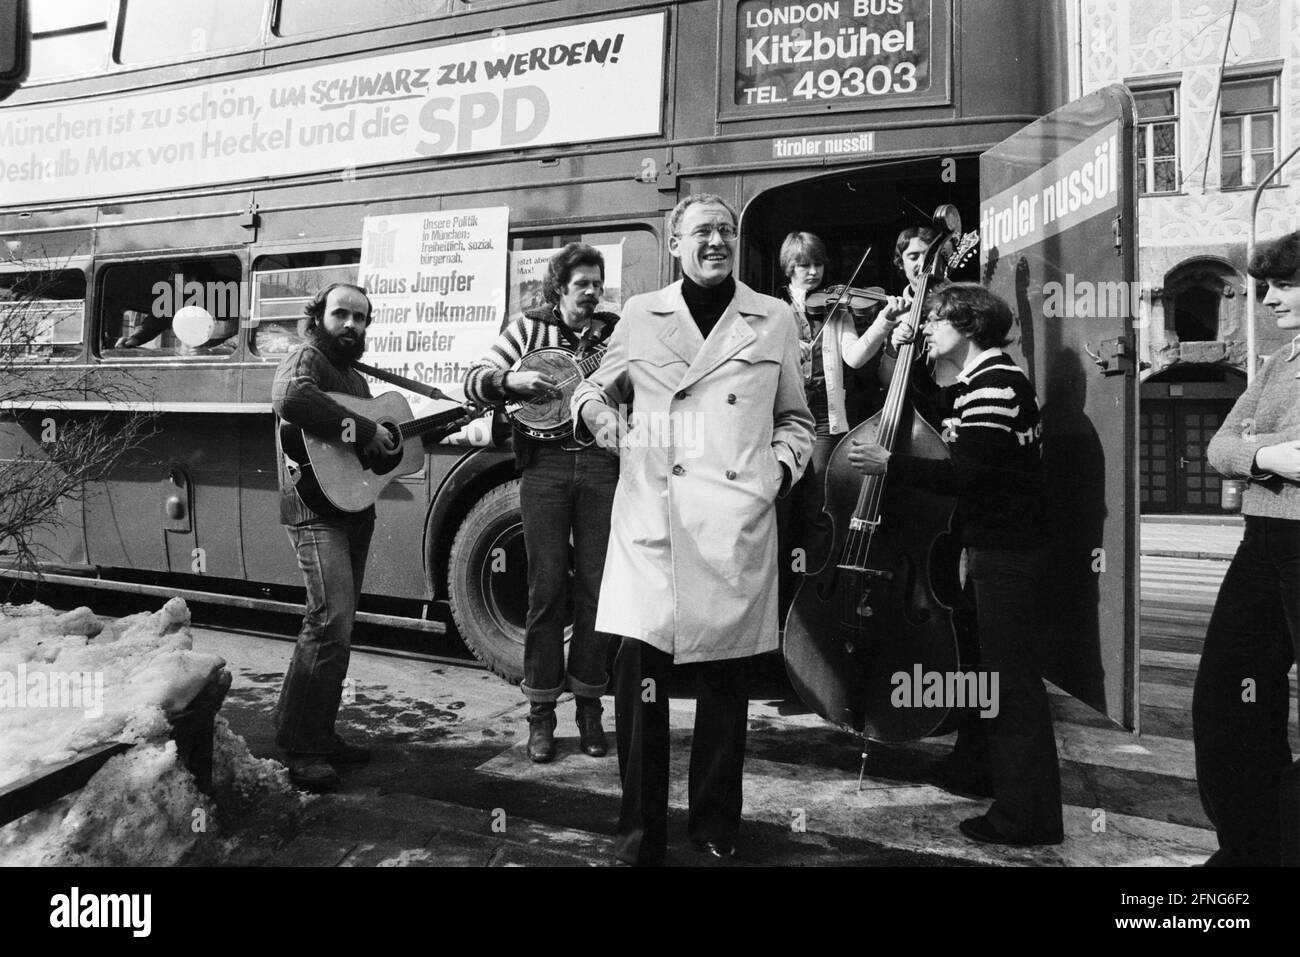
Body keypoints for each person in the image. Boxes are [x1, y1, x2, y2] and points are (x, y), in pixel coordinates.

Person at [574, 194, 814, 865]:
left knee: (723, 693)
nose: (716, 242)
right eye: (702, 231)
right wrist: (597, 415)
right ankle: (640, 833)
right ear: (676, 242)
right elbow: (592, 389)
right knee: (641, 692)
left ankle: (714, 826)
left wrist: (777, 472)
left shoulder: (771, 319)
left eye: (726, 231)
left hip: (733, 526)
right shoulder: (641, 317)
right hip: (653, 526)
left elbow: (798, 419)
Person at [848, 282, 1064, 846]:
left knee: (1011, 683)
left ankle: (1027, 817)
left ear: (967, 326)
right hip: (994, 549)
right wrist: (901, 358)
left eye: (937, 320)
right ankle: (976, 768)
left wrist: (889, 464)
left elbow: (971, 473)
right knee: (984, 670)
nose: (928, 328)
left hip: (1007, 554)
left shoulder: (995, 385)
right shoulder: (980, 382)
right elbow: (939, 415)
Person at [465, 243, 620, 763]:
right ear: (560, 288)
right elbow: (473, 381)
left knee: (597, 593)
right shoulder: (527, 329)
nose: (593, 293)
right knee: (546, 590)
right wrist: (511, 379)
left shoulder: (615, 332)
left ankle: (591, 710)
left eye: (598, 283)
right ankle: (541, 717)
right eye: (583, 284)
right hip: (546, 470)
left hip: (601, 466)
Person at [1194, 231, 1300, 866]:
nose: (1268, 299)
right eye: (1265, 286)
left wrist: (1256, 448)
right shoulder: (1280, 361)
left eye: (1285, 285)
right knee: (1228, 696)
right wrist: (1270, 452)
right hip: (1263, 540)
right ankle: (1249, 848)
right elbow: (1219, 448)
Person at [272, 283, 398, 791]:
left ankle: (315, 733)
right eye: (341, 314)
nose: (351, 324)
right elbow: (291, 398)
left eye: (360, 317)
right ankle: (302, 750)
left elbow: (358, 446)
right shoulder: (306, 357)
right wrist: (368, 433)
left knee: (338, 626)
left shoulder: (352, 375)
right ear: (318, 316)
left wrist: (382, 444)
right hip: (313, 510)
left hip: (350, 507)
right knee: (329, 621)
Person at [777, 231, 899, 582]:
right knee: (781, 508)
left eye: (817, 264)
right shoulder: (775, 310)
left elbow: (856, 357)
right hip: (782, 423)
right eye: (803, 265)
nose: (812, 272)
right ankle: (781, 593)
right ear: (789, 268)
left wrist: (883, 322)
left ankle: (812, 587)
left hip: (824, 424)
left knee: (819, 511)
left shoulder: (835, 309)